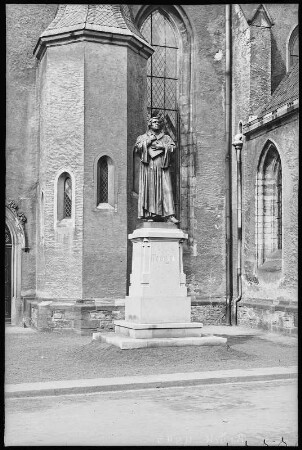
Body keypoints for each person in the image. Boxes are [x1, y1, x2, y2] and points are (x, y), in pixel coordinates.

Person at [134, 113, 179, 223]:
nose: (156, 124)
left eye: (158, 122)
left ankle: (169, 215)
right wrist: (148, 141)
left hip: (163, 166)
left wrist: (163, 146)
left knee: (167, 189)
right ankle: (150, 214)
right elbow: (137, 149)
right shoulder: (143, 137)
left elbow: (173, 148)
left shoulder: (166, 138)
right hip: (149, 167)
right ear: (149, 124)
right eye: (154, 122)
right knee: (150, 189)